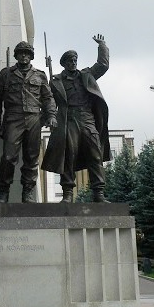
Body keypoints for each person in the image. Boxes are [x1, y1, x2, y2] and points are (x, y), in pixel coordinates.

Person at [40, 34, 112, 203]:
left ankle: (99, 193)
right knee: (68, 155)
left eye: (75, 60)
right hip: (68, 119)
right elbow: (49, 101)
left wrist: (102, 46)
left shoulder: (86, 75)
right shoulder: (56, 81)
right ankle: (67, 193)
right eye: (70, 61)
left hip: (87, 118)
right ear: (64, 63)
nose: (73, 63)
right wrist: (47, 118)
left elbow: (103, 65)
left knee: (95, 154)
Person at [0, 40, 57, 203]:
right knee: (8, 157)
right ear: (16, 55)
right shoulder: (6, 74)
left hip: (34, 118)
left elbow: (48, 98)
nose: (24, 56)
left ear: (31, 56)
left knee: (32, 158)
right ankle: (3, 191)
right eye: (21, 53)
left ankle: (28, 192)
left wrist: (51, 116)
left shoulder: (40, 75)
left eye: (27, 53)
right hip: (13, 118)